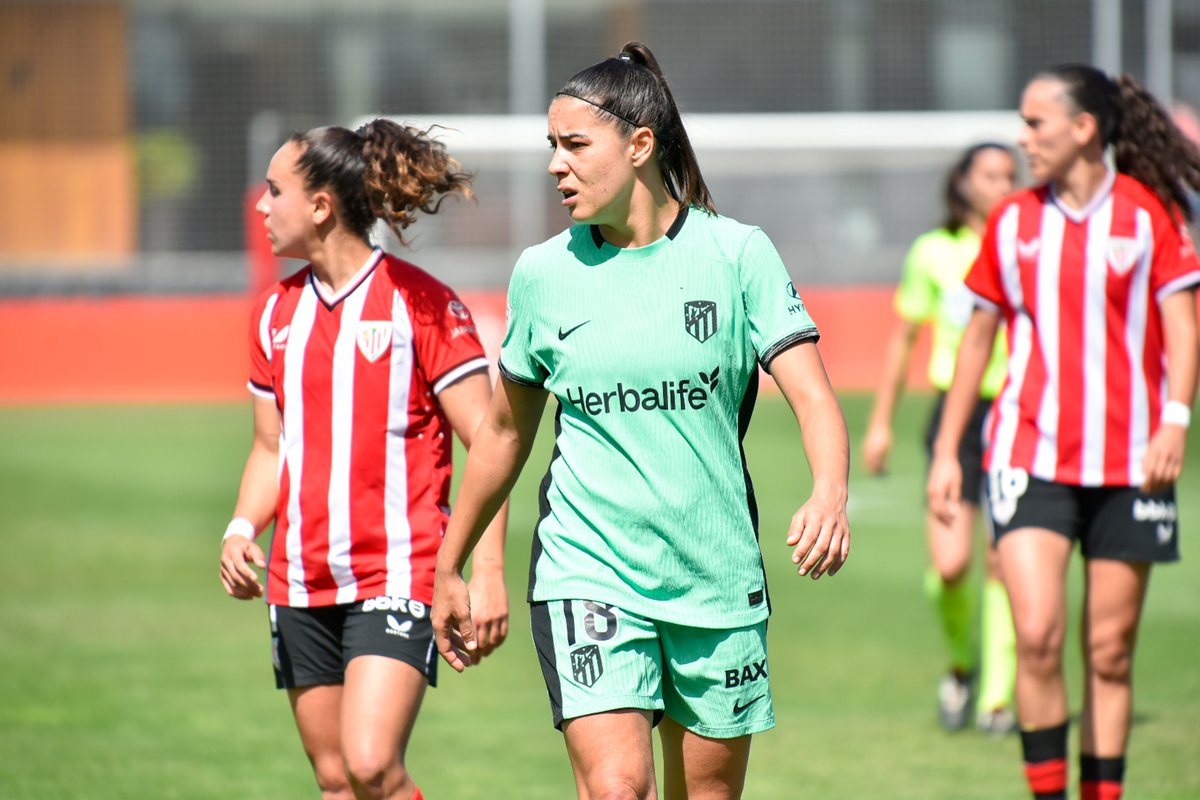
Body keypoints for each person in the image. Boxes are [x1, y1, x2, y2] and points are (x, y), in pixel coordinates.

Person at [431, 41, 850, 799]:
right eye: (551, 147)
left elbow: (814, 396)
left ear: (640, 145)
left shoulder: (737, 255)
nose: (556, 164)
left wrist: (829, 492)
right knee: (618, 788)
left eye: (574, 145)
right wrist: (454, 563)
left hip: (715, 578)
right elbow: (502, 433)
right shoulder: (543, 274)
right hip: (587, 570)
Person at [927, 64, 1200, 800]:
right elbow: (978, 339)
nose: (1024, 136)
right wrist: (951, 451)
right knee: (1038, 637)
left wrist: (1174, 421)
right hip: (1028, 455)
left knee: (1109, 654)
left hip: (1131, 464)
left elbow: (1184, 329)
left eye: (1035, 122)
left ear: (1084, 129)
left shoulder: (1150, 216)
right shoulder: (1013, 221)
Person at [218, 119, 510, 800]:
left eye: (273, 190)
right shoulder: (273, 316)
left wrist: (482, 570)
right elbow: (271, 446)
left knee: (372, 763)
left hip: (399, 572)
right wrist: (239, 528)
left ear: (320, 206)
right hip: (300, 579)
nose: (261, 206)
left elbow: (492, 444)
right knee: (337, 782)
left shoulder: (421, 304)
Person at [862, 142, 1019, 735]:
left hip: (1015, 415)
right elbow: (903, 340)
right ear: (964, 182)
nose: (1003, 184)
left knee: (1004, 560)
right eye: (990, 175)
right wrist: (880, 423)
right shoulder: (933, 252)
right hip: (953, 419)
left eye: (1011, 175)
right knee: (951, 565)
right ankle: (961, 666)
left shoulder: (1023, 243)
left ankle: (998, 700)